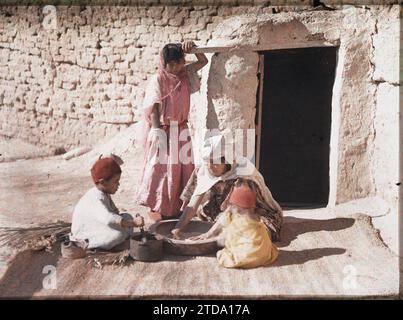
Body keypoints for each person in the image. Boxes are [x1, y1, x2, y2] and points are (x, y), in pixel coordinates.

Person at [136, 41, 208, 222]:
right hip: (163, 130)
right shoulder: (158, 79)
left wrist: (194, 48)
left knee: (181, 170)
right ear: (164, 62)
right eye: (172, 64)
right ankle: (158, 207)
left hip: (181, 129)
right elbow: (154, 106)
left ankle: (175, 208)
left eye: (179, 63)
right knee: (160, 170)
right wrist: (157, 132)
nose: (175, 68)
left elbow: (203, 61)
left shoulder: (185, 75)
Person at [171, 134, 283, 242]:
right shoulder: (203, 169)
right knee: (213, 221)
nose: (210, 167)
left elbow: (233, 210)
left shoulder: (243, 174)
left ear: (227, 161)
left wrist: (208, 234)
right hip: (222, 211)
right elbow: (193, 205)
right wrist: (178, 228)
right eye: (208, 162)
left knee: (251, 234)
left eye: (215, 163)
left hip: (251, 212)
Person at [190, 181, 279, 268]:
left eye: (231, 205)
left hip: (245, 258)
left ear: (235, 206)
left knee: (222, 254)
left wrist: (212, 239)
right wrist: (208, 234)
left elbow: (226, 240)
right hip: (264, 255)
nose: (229, 207)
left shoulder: (236, 223)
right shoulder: (257, 220)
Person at [70, 156, 144, 250]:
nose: (118, 184)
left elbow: (114, 213)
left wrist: (129, 221)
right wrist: (133, 223)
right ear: (103, 182)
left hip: (97, 225)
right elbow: (109, 219)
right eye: (116, 181)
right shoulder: (96, 198)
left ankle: (118, 241)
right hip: (83, 235)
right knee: (118, 235)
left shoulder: (104, 194)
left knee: (127, 217)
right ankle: (107, 247)